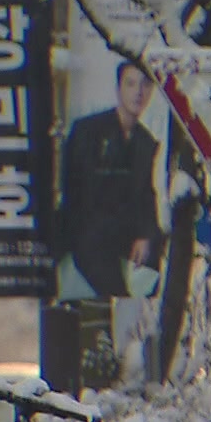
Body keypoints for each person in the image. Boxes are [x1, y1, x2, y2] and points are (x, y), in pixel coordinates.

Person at [56, 61, 162, 299]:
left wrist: (145, 235)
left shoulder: (146, 142)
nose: (138, 92)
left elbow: (146, 194)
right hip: (88, 233)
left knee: (176, 258)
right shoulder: (87, 130)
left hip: (126, 233)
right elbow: (73, 189)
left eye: (145, 85)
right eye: (131, 84)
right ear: (118, 88)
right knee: (117, 293)